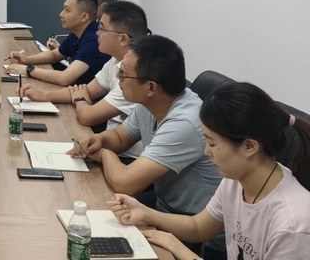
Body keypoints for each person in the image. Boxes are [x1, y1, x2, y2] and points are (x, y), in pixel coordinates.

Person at [108, 82, 310, 260]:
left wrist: (181, 250)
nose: (207, 152)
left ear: (249, 146)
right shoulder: (237, 180)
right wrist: (144, 213)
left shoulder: (293, 224)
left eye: (212, 144)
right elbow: (198, 226)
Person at [71, 35, 224, 256]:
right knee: (87, 212)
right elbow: (120, 138)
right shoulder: (152, 102)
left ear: (151, 87)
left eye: (124, 74)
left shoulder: (185, 123)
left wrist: (104, 154)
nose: (118, 78)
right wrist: (100, 140)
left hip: (196, 233)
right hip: (165, 205)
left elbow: (125, 183)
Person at [18, 1, 148, 158]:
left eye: (102, 28)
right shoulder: (115, 61)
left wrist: (79, 98)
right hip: (108, 146)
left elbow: (88, 116)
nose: (97, 33)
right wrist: (44, 95)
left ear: (122, 39)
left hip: (126, 158)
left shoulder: (135, 76)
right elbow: (87, 90)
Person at [5, 0, 110, 86]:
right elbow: (55, 55)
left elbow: (65, 78)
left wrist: (28, 70)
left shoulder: (94, 40)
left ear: (84, 17)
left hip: (89, 97)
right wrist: (26, 59)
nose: (61, 14)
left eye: (67, 10)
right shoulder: (77, 33)